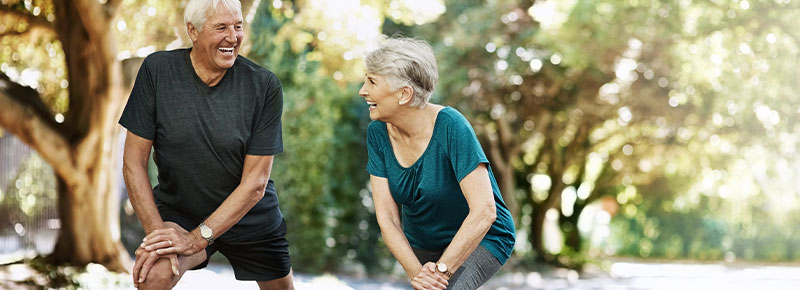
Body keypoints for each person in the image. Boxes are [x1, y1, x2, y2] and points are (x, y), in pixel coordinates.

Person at [119, 0, 294, 289]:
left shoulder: (264, 86)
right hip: (181, 211)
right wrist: (157, 233)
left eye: (238, 27)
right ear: (193, 31)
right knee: (152, 275)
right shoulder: (158, 71)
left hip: (248, 214)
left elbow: (255, 183)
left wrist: (195, 239)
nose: (233, 37)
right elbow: (133, 163)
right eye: (221, 27)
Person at [359, 35, 516, 290]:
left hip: (483, 236)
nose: (363, 90)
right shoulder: (378, 132)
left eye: (372, 81)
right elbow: (387, 217)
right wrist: (417, 274)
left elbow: (485, 211)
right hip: (423, 243)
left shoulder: (451, 126)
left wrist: (441, 271)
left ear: (404, 93)